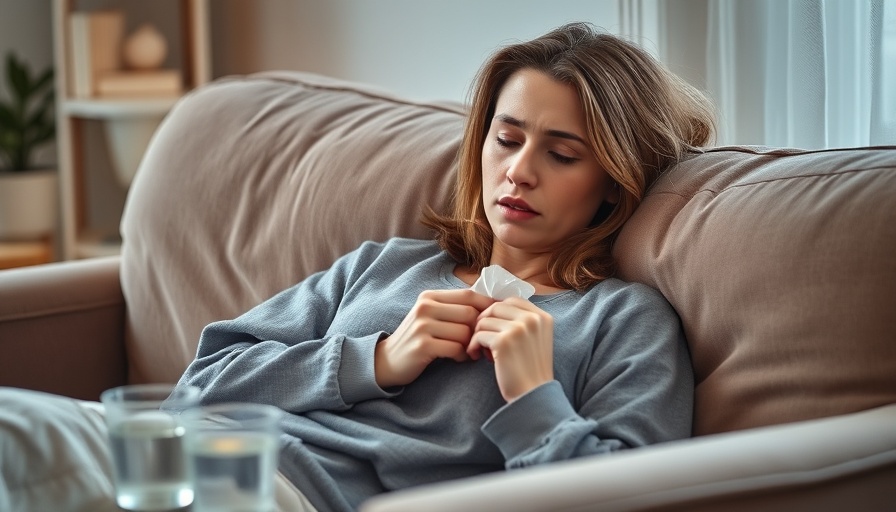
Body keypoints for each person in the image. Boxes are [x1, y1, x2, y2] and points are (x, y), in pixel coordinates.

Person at [0, 22, 714, 512]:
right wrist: (374, 359)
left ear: (613, 183)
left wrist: (532, 395)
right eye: (507, 139)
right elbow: (198, 386)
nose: (519, 173)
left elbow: (632, 493)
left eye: (561, 154)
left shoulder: (624, 320)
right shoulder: (388, 266)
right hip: (191, 453)